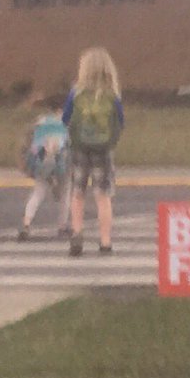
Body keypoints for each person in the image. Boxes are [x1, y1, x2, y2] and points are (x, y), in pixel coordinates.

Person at [62, 47, 124, 256]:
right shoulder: (112, 95)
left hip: (79, 148)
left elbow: (66, 119)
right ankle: (105, 241)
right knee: (103, 195)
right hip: (104, 150)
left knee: (78, 194)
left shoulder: (76, 93)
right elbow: (120, 122)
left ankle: (77, 235)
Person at [16, 93, 72, 240]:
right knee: (66, 193)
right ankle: (62, 225)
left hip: (41, 163)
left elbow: (28, 143)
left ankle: (26, 223)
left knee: (38, 193)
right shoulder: (66, 122)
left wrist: (26, 164)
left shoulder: (40, 121)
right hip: (61, 164)